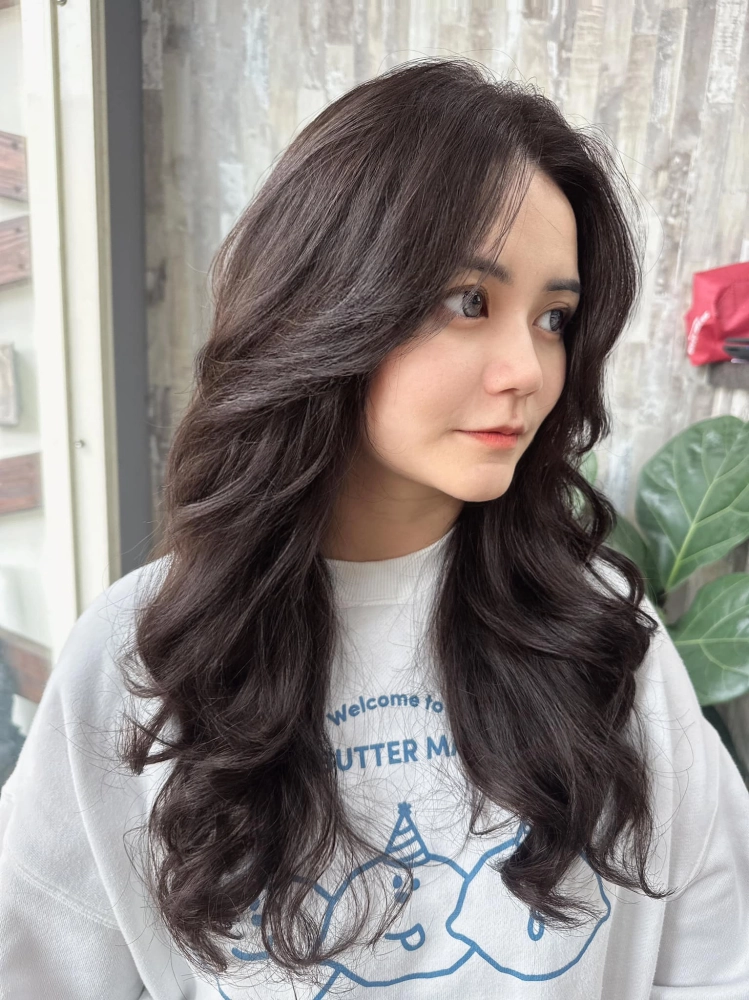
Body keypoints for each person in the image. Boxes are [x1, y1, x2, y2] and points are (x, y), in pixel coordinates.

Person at [1, 58, 748, 1000]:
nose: (527, 369)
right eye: (469, 301)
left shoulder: (604, 638)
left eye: (553, 317)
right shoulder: (137, 658)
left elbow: (717, 962)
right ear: (329, 300)